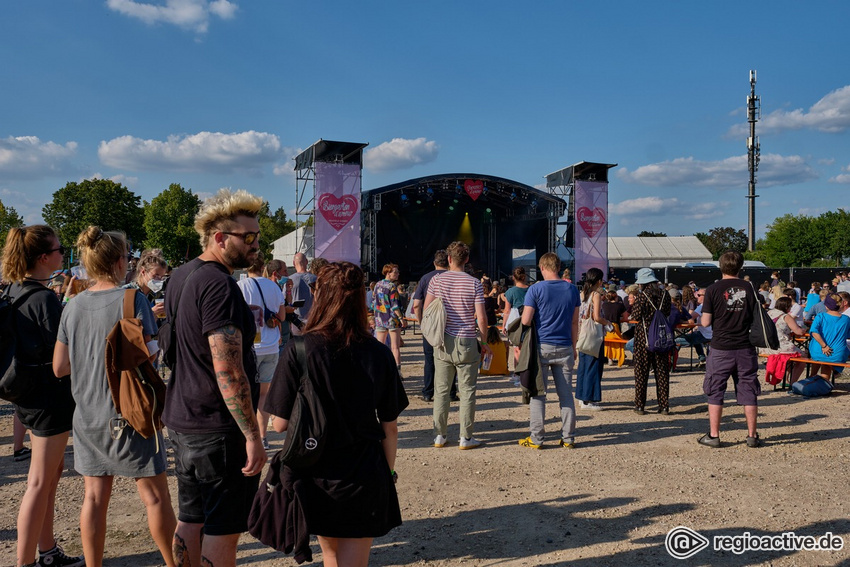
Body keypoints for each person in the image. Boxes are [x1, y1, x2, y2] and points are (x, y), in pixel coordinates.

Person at [264, 261, 408, 566]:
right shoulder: (379, 352)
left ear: (321, 296)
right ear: (360, 300)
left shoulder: (299, 349)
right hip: (364, 471)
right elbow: (390, 426)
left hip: (316, 471)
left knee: (331, 556)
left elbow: (279, 425)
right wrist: (390, 472)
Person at [53, 226, 176, 567]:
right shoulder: (132, 300)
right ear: (121, 261)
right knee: (154, 497)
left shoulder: (72, 305)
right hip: (130, 412)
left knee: (93, 498)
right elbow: (150, 357)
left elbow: (60, 367)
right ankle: (173, 563)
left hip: (88, 415)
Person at [164, 189, 267, 567]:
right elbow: (228, 369)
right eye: (249, 237)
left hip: (184, 420)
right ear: (220, 238)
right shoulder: (220, 285)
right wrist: (252, 435)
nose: (257, 245)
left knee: (190, 517)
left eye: (258, 236)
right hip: (217, 430)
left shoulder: (182, 274)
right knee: (223, 529)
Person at [2, 226, 84, 567]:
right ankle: (26, 562)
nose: (63, 254)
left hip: (29, 395)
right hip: (48, 399)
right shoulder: (43, 298)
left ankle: (47, 551)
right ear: (43, 257)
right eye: (59, 248)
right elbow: (63, 357)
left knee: (50, 476)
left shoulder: (15, 290)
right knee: (39, 481)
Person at [423, 241, 491, 450]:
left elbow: (427, 310)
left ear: (449, 259)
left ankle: (439, 436)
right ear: (467, 259)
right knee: (468, 390)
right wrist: (485, 342)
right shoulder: (474, 284)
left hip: (443, 341)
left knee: (442, 390)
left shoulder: (436, 281)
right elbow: (481, 318)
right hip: (467, 341)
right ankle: (465, 437)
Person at [517, 252, 581, 449]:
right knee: (566, 396)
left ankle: (537, 439)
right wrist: (573, 345)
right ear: (558, 267)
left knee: (538, 395)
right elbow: (574, 322)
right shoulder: (572, 289)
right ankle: (568, 438)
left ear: (542, 268)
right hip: (565, 347)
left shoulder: (535, 289)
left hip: (541, 347)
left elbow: (526, 320)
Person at [698, 251, 761, 449]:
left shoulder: (713, 289)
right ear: (741, 267)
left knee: (715, 390)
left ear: (721, 266)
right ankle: (752, 435)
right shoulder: (750, 288)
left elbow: (706, 322)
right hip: (745, 346)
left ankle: (714, 435)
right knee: (749, 390)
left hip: (721, 347)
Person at [237, 253, 287, 451]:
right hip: (271, 345)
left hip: (250, 346)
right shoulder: (273, 286)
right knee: (264, 394)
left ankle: (248, 435)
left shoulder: (241, 286)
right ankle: (263, 436)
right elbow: (282, 316)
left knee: (244, 393)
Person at [412, 250, 457, 402]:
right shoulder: (455, 278)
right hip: (451, 325)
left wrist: (421, 323)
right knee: (450, 359)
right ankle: (451, 392)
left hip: (431, 325)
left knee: (429, 359)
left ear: (434, 263)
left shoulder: (425, 278)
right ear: (449, 261)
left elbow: (417, 305)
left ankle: (428, 392)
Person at [630, 268, 672, 415]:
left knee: (641, 372)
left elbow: (635, 315)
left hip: (644, 337)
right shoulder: (665, 294)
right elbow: (667, 312)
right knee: (662, 373)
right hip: (660, 337)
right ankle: (664, 406)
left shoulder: (642, 296)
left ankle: (640, 405)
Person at [575, 267, 610, 410]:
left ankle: (582, 396)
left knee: (583, 366)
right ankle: (588, 399)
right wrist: (607, 323)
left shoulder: (582, 293)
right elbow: (596, 317)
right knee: (593, 366)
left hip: (583, 332)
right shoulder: (596, 294)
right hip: (594, 335)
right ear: (599, 281)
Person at [764, 296, 806, 385]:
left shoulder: (768, 313)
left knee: (790, 358)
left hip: (767, 346)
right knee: (803, 358)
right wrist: (804, 329)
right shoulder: (786, 316)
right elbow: (798, 331)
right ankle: (793, 382)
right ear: (787, 307)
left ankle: (786, 379)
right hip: (781, 346)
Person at [372, 263, 407, 371]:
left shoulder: (377, 285)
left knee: (379, 347)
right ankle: (397, 371)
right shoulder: (392, 286)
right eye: (395, 272)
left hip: (379, 319)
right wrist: (401, 318)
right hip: (392, 319)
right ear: (388, 273)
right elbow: (395, 306)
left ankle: (378, 369)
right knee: (395, 347)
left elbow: (374, 303)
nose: (397, 274)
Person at [808, 294, 850, 381]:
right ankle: (827, 379)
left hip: (819, 351)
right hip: (837, 354)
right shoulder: (846, 319)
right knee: (827, 359)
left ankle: (813, 378)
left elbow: (814, 332)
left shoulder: (820, 316)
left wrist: (824, 346)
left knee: (820, 355)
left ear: (826, 305)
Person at [502, 267, 530, 385]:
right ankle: (527, 373)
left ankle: (517, 374)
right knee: (527, 349)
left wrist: (504, 325)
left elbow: (507, 311)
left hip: (515, 322)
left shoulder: (510, 292)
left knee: (517, 350)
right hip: (529, 321)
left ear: (513, 277)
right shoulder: (531, 290)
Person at [675, 288, 712, 367]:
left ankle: (671, 363)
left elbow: (691, 318)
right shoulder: (713, 304)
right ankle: (702, 358)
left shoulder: (702, 306)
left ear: (705, 296)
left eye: (698, 295)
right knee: (694, 336)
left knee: (675, 341)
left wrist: (680, 320)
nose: (696, 297)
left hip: (704, 334)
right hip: (712, 334)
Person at [290, 252, 317, 332]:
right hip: (313, 320)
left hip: (296, 321)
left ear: (294, 263)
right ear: (307, 261)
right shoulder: (316, 279)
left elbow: (284, 301)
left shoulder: (289, 280)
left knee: (297, 344)